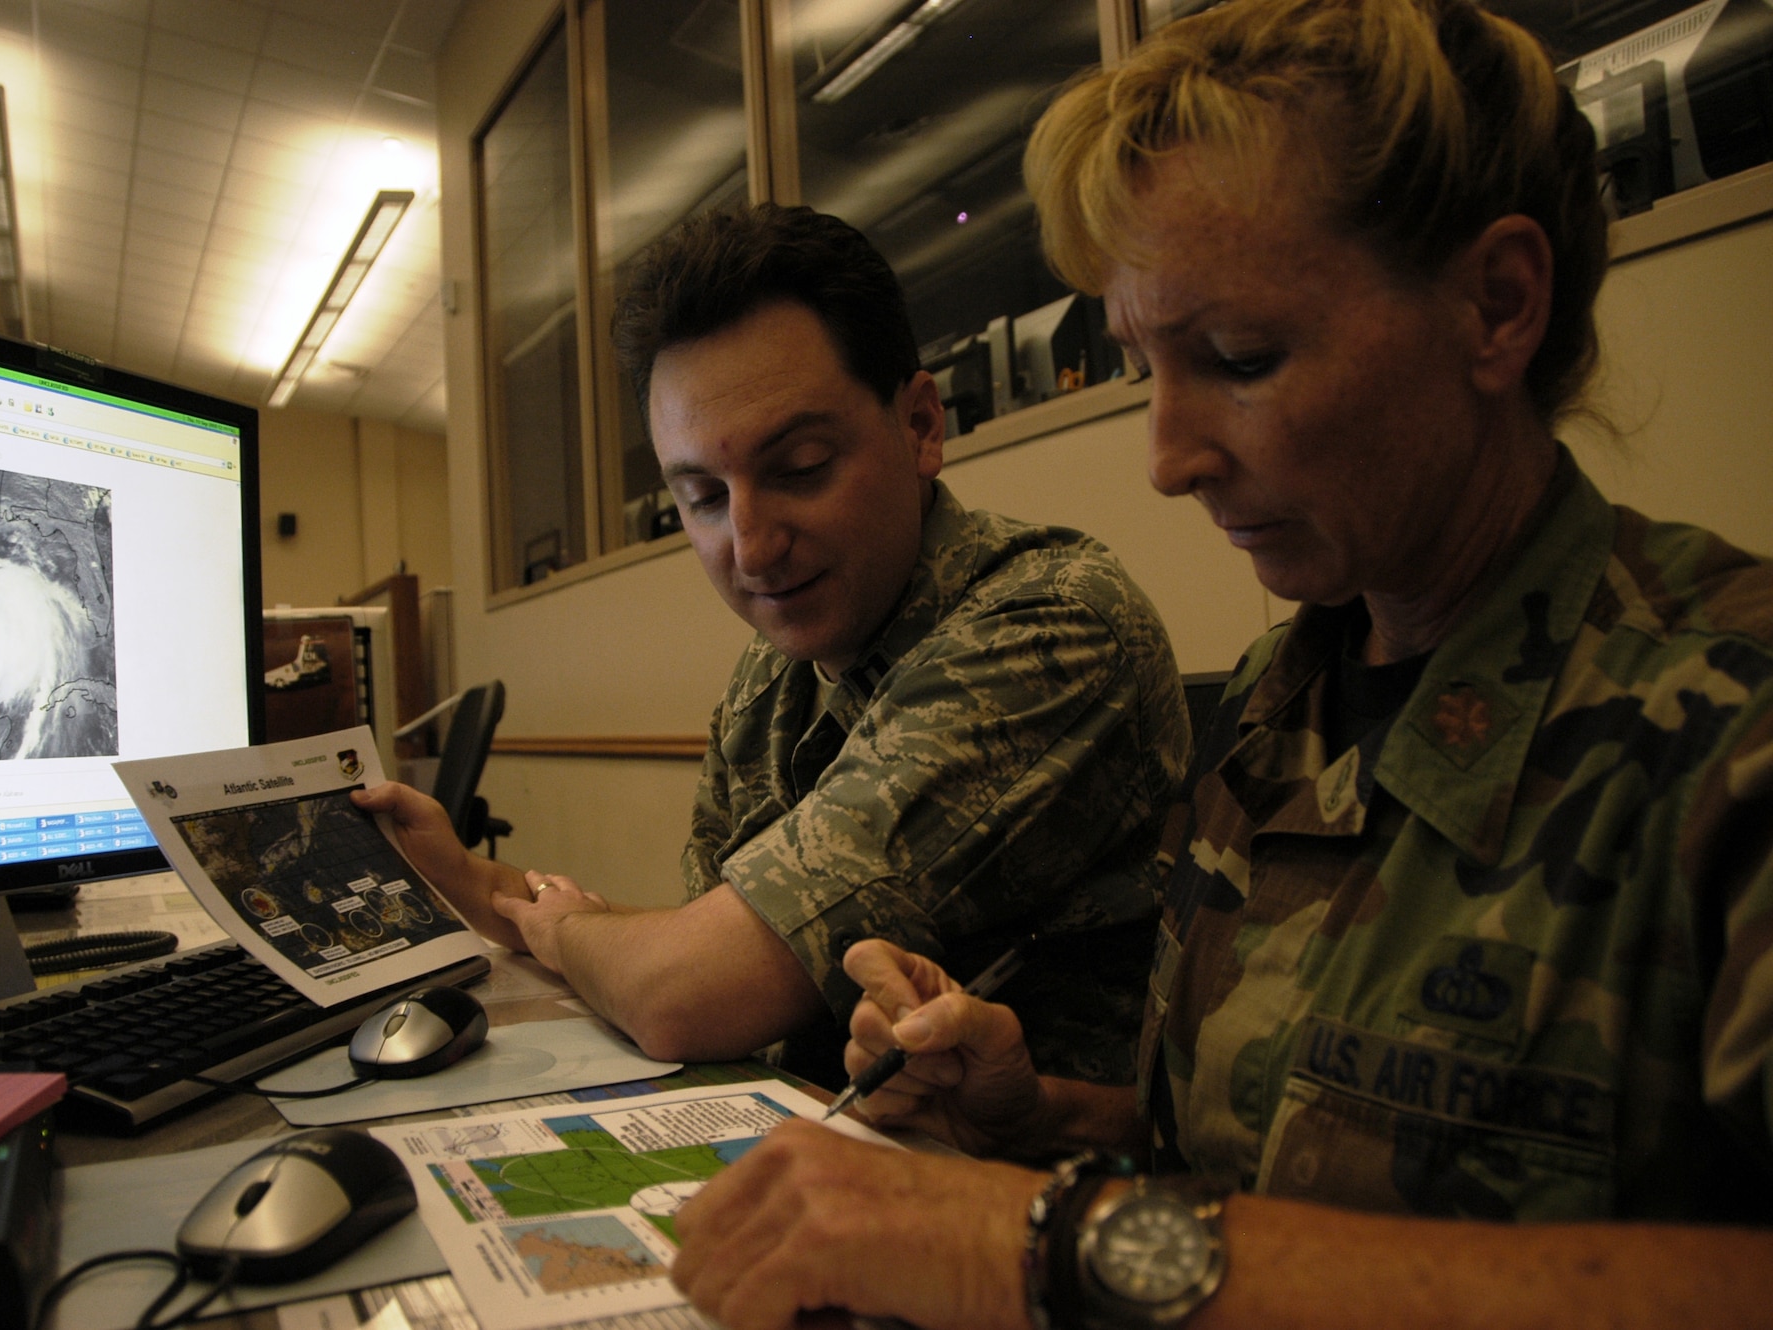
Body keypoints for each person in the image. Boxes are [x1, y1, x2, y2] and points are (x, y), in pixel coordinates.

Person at [665, 1, 1773, 1326]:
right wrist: (1032, 1118)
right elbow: (1255, 1171)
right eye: (1144, 368)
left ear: (1496, 305)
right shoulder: (1271, 711)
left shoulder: (1727, 728)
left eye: (1242, 359)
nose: (1169, 457)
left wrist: (1030, 1244)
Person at [357, 203, 1190, 1089]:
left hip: (1032, 1188)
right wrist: (472, 881)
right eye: (705, 497)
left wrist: (565, 931)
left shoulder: (1047, 630)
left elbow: (687, 994)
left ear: (920, 427)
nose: (751, 549)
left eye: (798, 469)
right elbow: (719, 940)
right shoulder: (778, 674)